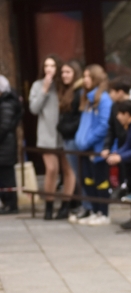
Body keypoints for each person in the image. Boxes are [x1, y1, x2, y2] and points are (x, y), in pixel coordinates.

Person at [30, 55, 76, 220]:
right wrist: (43, 90)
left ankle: (65, 205)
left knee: (68, 169)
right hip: (46, 134)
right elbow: (34, 109)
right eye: (46, 66)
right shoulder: (37, 85)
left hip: (64, 133)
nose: (49, 69)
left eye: (52, 66)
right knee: (51, 169)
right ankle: (49, 205)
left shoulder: (62, 86)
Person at [74, 64, 113, 226]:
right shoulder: (88, 98)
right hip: (85, 148)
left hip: (96, 149)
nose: (85, 80)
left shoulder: (103, 99)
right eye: (85, 76)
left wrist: (88, 141)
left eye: (89, 76)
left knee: (101, 181)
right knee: (87, 180)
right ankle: (94, 210)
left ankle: (103, 213)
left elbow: (103, 126)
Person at [56, 61, 84, 219]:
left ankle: (82, 204)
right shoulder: (66, 90)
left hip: (74, 136)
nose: (64, 75)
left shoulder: (79, 92)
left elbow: (79, 116)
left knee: (77, 172)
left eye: (68, 72)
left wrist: (65, 128)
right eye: (63, 72)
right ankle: (77, 204)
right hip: (67, 136)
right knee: (73, 171)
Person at [0, 76, 21, 215]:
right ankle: (7, 203)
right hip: (4, 145)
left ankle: (11, 204)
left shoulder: (6, 103)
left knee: (6, 176)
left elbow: (4, 126)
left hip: (5, 145)